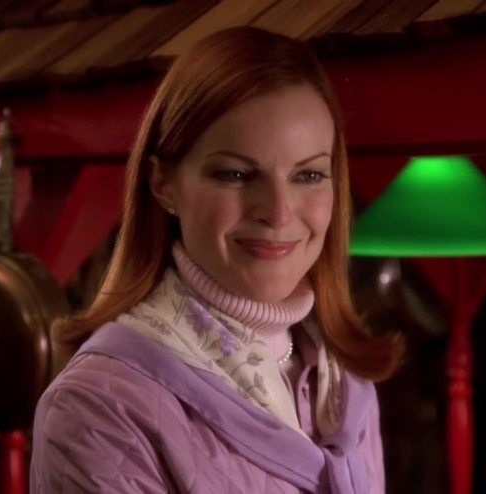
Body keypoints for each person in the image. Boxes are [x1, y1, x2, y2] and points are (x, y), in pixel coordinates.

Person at [30, 26, 403, 494]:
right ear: (163, 184)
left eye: (308, 175)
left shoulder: (345, 383)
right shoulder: (98, 408)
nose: (279, 213)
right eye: (236, 174)